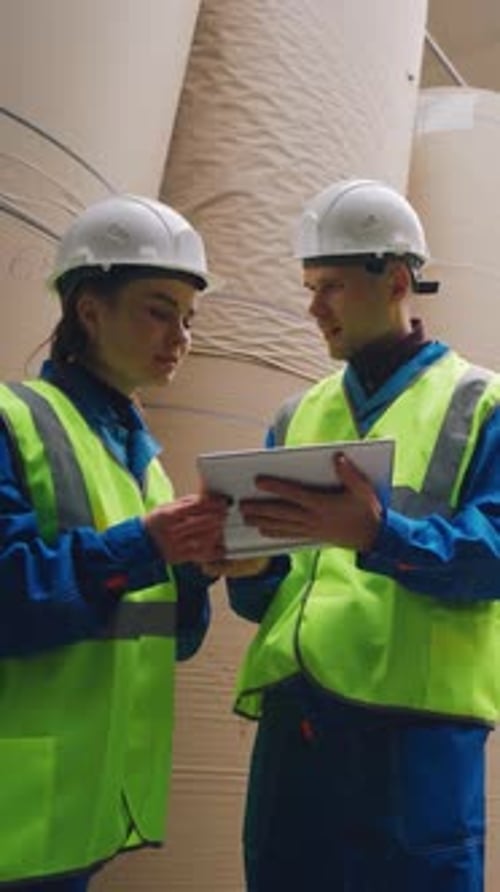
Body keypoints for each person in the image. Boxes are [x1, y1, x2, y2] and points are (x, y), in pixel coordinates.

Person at [219, 179, 500, 891]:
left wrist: (382, 536)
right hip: (296, 724)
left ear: (398, 281)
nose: (314, 307)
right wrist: (250, 575)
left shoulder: (481, 404)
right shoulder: (295, 415)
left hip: (414, 738)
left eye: (332, 286)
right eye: (311, 286)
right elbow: (279, 599)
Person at [0, 194, 229, 890]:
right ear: (89, 309)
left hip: (83, 814)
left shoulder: (146, 468)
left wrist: (196, 573)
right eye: (159, 309)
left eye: (188, 319)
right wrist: (144, 547)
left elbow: (164, 637)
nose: (180, 336)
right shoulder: (14, 421)